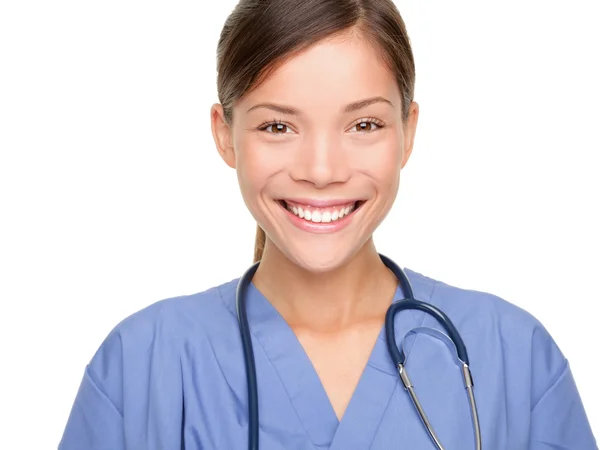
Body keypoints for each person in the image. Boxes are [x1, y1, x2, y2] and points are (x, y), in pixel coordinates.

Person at [59, 0, 597, 448]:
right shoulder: (139, 368)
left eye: (364, 124)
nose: (322, 171)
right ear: (225, 134)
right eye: (278, 126)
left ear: (408, 132)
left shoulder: (515, 359)